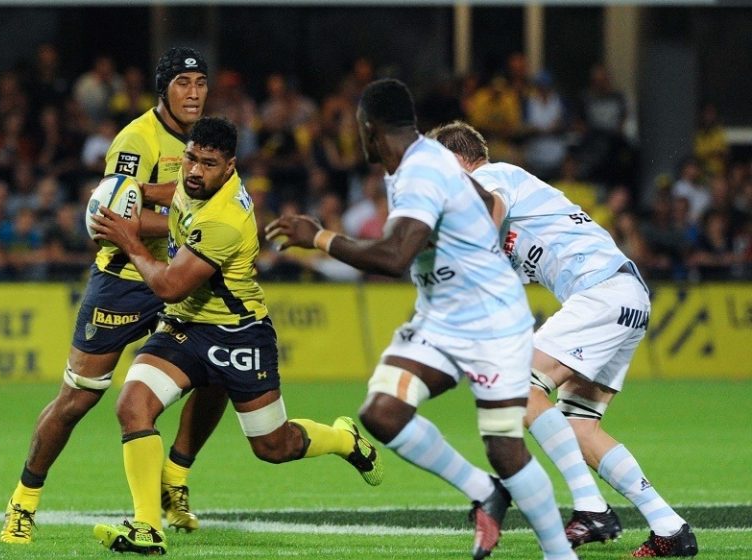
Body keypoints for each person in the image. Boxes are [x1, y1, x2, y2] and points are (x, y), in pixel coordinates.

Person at [266, 79, 577, 560]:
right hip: (443, 317)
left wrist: (320, 237)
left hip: (492, 323)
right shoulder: (421, 160)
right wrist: (471, 250)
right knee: (381, 412)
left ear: (369, 130)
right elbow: (490, 202)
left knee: (505, 448)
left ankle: (560, 555)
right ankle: (484, 490)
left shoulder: (419, 172)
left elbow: (392, 257)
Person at [88, 116, 382, 555]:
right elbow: (180, 192)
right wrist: (137, 191)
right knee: (133, 406)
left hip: (238, 334)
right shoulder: (198, 181)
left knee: (273, 446)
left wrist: (128, 239)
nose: (193, 170)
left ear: (230, 168)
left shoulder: (225, 219)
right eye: (189, 157)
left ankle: (343, 438)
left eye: (207, 163)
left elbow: (168, 285)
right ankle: (147, 527)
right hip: (185, 326)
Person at [430, 120, 698, 558]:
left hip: (602, 293)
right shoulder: (503, 208)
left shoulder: (489, 177)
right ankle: (670, 527)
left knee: (520, 387)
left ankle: (591, 508)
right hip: (622, 296)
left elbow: (488, 214)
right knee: (579, 425)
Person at [0, 47, 227, 543]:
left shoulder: (208, 142)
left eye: (201, 83)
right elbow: (108, 217)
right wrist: (188, 223)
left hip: (182, 278)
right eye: (183, 83)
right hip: (124, 283)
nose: (194, 93)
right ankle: (23, 501)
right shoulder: (137, 139)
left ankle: (176, 481)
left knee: (219, 369)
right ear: (163, 88)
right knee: (77, 400)